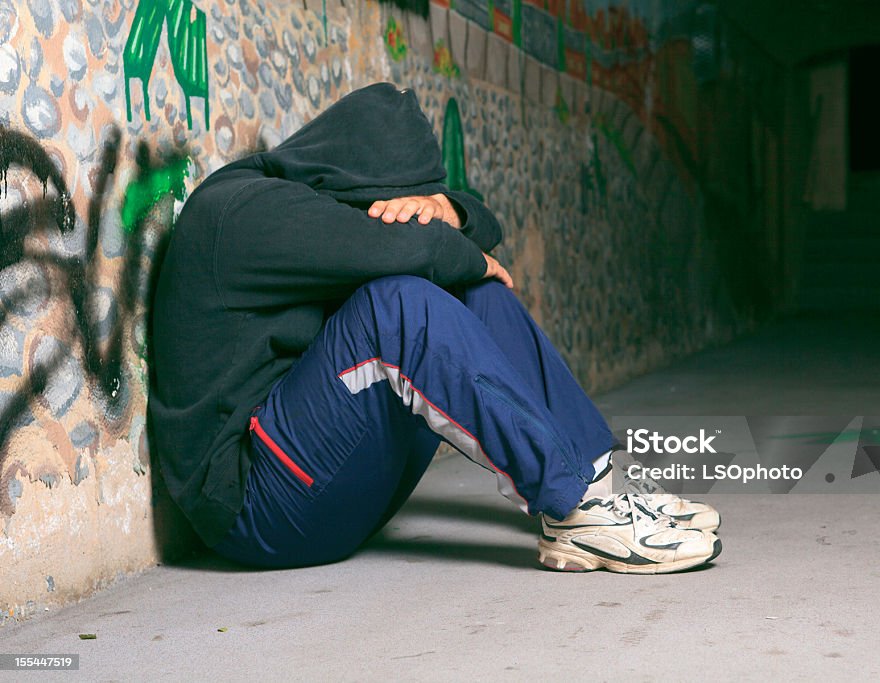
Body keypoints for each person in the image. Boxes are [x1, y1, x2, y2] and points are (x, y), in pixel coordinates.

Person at [149, 82, 722, 574]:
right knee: (399, 304)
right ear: (352, 187)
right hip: (257, 511)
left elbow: (467, 228)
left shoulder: (320, 191)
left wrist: (451, 215)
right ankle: (572, 510)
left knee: (473, 291)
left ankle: (596, 490)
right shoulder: (244, 213)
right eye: (399, 206)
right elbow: (418, 251)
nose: (408, 217)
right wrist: (456, 247)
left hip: (332, 490)